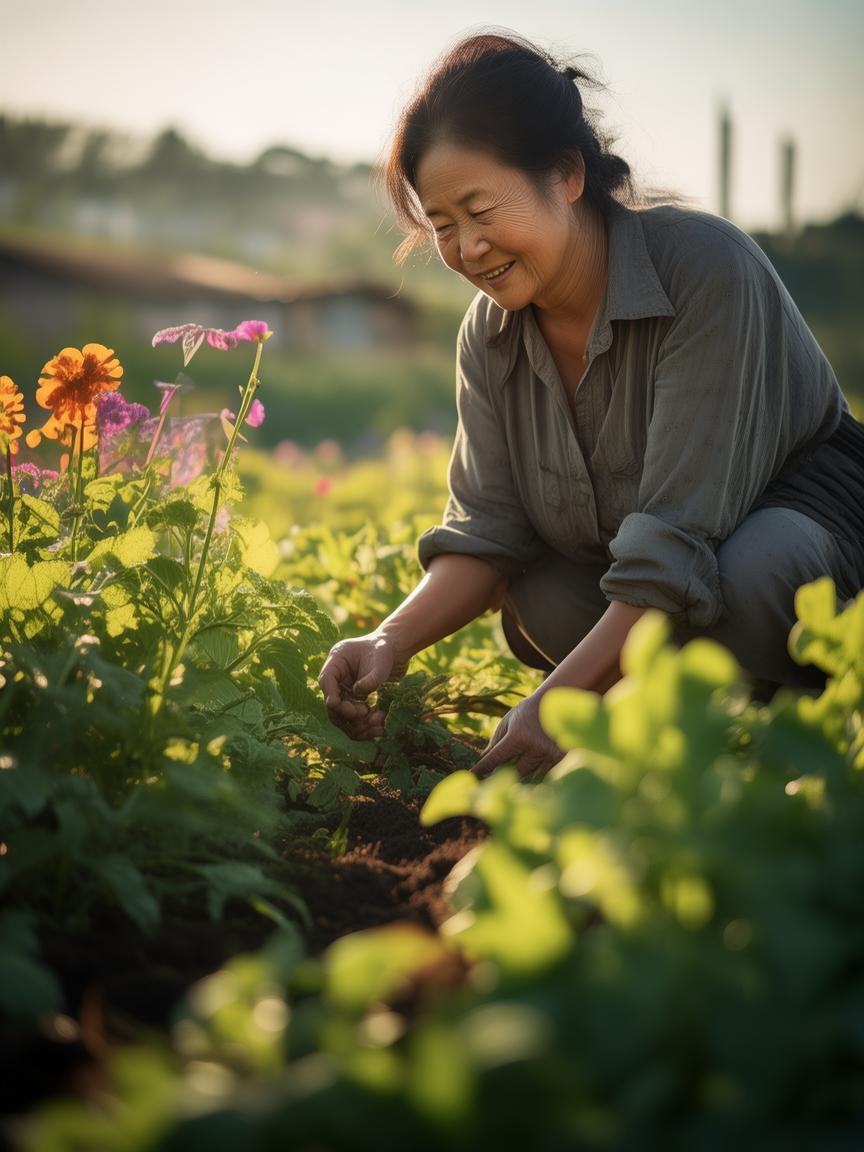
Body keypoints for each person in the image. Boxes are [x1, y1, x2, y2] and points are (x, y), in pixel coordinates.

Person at [318, 30, 864, 780]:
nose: (469, 249)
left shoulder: (706, 269)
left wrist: (559, 700)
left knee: (751, 570)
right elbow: (486, 530)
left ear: (568, 175)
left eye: (481, 210)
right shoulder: (490, 335)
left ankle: (792, 736)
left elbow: (677, 537)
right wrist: (388, 638)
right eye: (443, 228)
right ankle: (678, 731)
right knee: (539, 592)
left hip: (803, 551)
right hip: (667, 594)